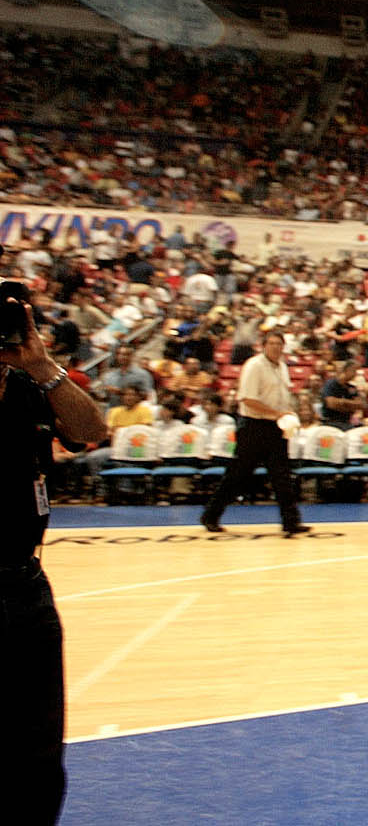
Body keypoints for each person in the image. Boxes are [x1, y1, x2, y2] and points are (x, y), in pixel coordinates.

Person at [0, 280, 108, 822]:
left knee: (40, 750)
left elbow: (91, 428)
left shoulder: (28, 385)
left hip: (23, 583)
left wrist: (43, 368)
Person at [200, 332, 310, 537]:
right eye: (272, 343)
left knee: (282, 475)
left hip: (276, 427)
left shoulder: (283, 366)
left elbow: (282, 396)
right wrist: (278, 413)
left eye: (280, 344)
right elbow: (247, 399)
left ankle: (291, 521)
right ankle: (210, 516)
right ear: (263, 346)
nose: (276, 347)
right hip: (253, 426)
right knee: (237, 474)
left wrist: (287, 416)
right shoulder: (254, 365)